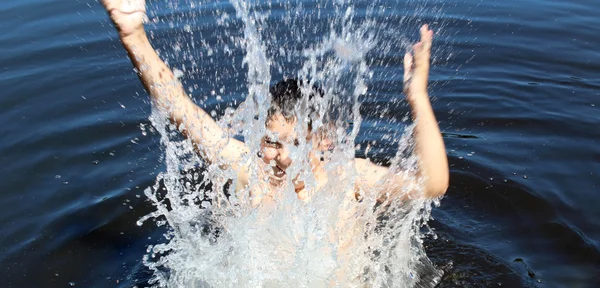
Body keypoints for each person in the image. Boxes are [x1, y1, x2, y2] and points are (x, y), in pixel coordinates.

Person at [100, 0, 449, 209]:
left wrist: (417, 97)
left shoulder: (347, 180)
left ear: (324, 140)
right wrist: (133, 36)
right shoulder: (248, 173)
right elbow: (180, 109)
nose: (281, 158)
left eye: (297, 144)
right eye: (270, 142)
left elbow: (432, 183)